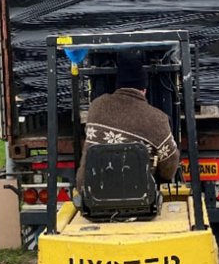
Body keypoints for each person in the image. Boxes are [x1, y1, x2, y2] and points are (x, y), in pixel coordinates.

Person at [76, 50, 178, 190]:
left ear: (118, 85)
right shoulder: (158, 120)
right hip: (138, 199)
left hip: (92, 195)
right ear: (144, 90)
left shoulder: (96, 106)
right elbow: (169, 170)